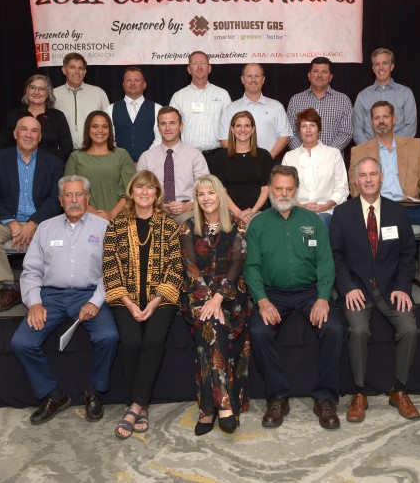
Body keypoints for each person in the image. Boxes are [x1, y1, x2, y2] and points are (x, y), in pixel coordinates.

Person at [10, 175, 119, 425]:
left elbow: (112, 272)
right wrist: (34, 303)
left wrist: (95, 302)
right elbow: (31, 271)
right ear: (60, 200)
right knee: (22, 342)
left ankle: (94, 391)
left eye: (79, 194)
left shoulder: (104, 227)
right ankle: (54, 394)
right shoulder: (45, 228)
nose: (74, 200)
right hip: (51, 297)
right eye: (68, 195)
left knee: (108, 337)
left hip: (89, 293)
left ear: (88, 198)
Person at [243, 165, 343, 430]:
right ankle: (277, 396)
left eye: (289, 189)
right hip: (273, 294)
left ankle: (325, 398)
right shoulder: (258, 224)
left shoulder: (313, 221)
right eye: (279, 189)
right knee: (259, 331)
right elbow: (251, 267)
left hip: (311, 292)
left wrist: (323, 297)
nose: (284, 194)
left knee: (334, 328)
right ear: (270, 189)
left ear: (296, 190)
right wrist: (262, 300)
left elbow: (325, 262)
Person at [330, 157, 420, 422]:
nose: (368, 180)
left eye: (373, 174)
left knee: (410, 329)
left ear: (381, 178)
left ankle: (399, 390)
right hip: (356, 289)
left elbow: (408, 254)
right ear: (356, 181)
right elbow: (335, 256)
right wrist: (347, 288)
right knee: (358, 330)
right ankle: (359, 393)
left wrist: (403, 287)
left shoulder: (397, 212)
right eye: (363, 175)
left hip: (390, 288)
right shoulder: (342, 213)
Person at [349, 100, 420, 295]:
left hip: (409, 206)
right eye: (377, 118)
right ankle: (375, 276)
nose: (381, 121)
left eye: (385, 117)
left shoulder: (415, 145)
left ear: (394, 119)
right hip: (380, 207)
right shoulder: (359, 151)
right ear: (371, 122)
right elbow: (354, 187)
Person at [102, 170, 184, 439]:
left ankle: (135, 406)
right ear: (131, 192)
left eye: (150, 188)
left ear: (157, 193)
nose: (145, 192)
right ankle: (141, 405)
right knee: (130, 341)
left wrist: (155, 301)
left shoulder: (169, 225)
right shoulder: (116, 226)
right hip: (124, 299)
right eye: (140, 187)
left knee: (154, 339)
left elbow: (176, 268)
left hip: (162, 299)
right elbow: (110, 268)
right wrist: (129, 304)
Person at [179, 175, 250, 435]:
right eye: (201, 194)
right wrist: (208, 300)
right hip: (197, 298)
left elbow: (236, 266)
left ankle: (207, 410)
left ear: (220, 195)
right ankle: (224, 408)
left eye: (211, 192)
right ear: (196, 199)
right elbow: (190, 268)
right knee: (210, 324)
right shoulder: (187, 227)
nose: (206, 198)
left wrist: (218, 298)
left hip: (231, 298)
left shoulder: (237, 225)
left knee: (212, 327)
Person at [0, 116, 63, 312]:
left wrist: (33, 223)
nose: (29, 135)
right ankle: (8, 287)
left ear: (40, 137)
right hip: (6, 222)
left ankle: (50, 288)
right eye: (24, 129)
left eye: (34, 131)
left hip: (40, 223)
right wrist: (12, 222)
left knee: (62, 238)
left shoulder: (54, 163)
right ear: (15, 134)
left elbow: (54, 200)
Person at [137, 106, 209, 225]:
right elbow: (139, 190)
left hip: (187, 211)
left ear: (181, 126)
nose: (167, 128)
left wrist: (189, 205)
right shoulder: (146, 157)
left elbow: (206, 187)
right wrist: (156, 205)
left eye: (172, 123)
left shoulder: (195, 155)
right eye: (163, 124)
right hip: (154, 210)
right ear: (158, 128)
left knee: (190, 223)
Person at [282, 108, 349, 230]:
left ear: (319, 129)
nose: (308, 130)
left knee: (320, 222)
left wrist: (326, 206)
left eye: (312, 125)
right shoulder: (289, 157)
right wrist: (301, 206)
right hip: (296, 211)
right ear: (299, 130)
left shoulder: (334, 154)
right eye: (304, 126)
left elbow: (341, 188)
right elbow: (284, 190)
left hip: (327, 212)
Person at [64, 110, 135, 221]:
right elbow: (68, 193)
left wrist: (111, 215)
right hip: (83, 219)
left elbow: (131, 190)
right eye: (95, 126)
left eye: (105, 127)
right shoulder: (75, 157)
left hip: (119, 219)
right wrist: (95, 216)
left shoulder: (122, 155)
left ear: (110, 130)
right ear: (88, 129)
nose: (100, 130)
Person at [169, 51, 231, 166]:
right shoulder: (178, 97)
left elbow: (230, 126)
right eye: (195, 63)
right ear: (189, 69)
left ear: (209, 68)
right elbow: (171, 128)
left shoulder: (223, 95)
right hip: (187, 157)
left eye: (203, 63)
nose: (199, 67)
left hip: (217, 157)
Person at [218, 63, 292, 160]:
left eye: (257, 76)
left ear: (263, 79)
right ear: (242, 79)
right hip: (238, 162)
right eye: (249, 76)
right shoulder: (230, 109)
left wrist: (267, 159)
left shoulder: (276, 106)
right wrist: (239, 159)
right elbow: (224, 138)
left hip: (270, 162)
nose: (253, 80)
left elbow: (285, 135)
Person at [211, 111, 272, 224]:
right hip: (228, 214)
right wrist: (238, 213)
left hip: (258, 213)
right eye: (238, 126)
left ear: (253, 129)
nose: (243, 130)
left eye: (247, 126)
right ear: (232, 129)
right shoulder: (220, 157)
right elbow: (221, 190)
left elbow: (265, 189)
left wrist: (252, 212)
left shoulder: (264, 155)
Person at [0, 74, 73, 162]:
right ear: (27, 91)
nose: (36, 92)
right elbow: (2, 145)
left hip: (48, 166)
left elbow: (67, 148)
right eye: (32, 87)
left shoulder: (58, 117)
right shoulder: (14, 115)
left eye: (41, 89)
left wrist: (51, 163)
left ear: (48, 93)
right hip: (17, 165)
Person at [286, 57, 353, 155]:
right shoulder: (295, 101)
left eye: (324, 72)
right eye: (315, 71)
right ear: (309, 76)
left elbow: (346, 133)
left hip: (332, 160)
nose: (320, 75)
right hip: (302, 159)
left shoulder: (343, 100)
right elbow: (290, 133)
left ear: (330, 77)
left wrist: (328, 154)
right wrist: (305, 153)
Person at [353, 48, 417, 144]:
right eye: (377, 64)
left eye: (385, 63)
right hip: (370, 150)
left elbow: (411, 127)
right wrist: (371, 149)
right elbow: (357, 130)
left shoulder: (405, 93)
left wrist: (392, 147)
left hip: (400, 149)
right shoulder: (362, 96)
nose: (381, 67)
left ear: (392, 66)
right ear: (373, 69)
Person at [53, 52, 110, 150]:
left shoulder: (98, 93)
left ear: (85, 72)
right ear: (64, 70)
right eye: (72, 67)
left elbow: (108, 124)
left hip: (94, 151)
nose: (77, 71)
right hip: (63, 153)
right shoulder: (53, 95)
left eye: (81, 68)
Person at [105, 66, 162, 162]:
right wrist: (121, 158)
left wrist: (145, 158)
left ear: (144, 85)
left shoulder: (157, 109)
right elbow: (109, 139)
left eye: (137, 80)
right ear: (123, 84)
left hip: (150, 163)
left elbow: (160, 138)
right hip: (119, 163)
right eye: (128, 80)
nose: (132, 83)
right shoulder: (110, 109)